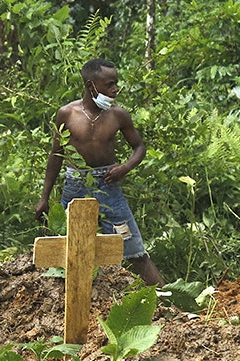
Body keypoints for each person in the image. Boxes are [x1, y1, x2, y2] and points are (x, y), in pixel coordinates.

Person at [34, 58, 164, 287]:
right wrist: (44, 198)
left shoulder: (118, 115)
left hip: (108, 186)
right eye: (109, 84)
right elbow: (56, 155)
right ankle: (60, 298)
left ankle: (166, 299)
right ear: (91, 85)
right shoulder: (67, 114)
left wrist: (124, 167)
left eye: (116, 84)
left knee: (133, 249)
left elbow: (139, 147)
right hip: (75, 186)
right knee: (64, 248)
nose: (115, 90)